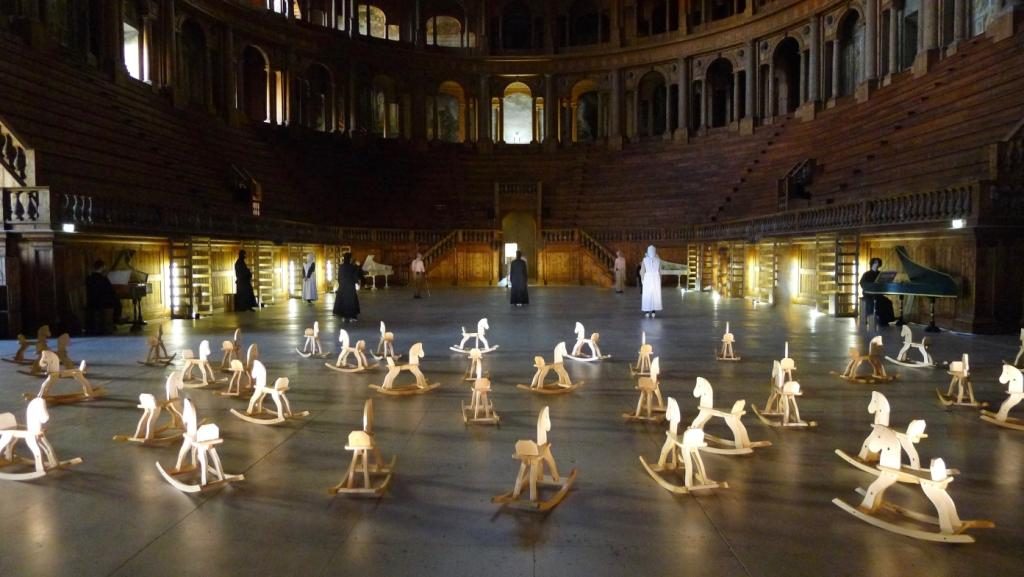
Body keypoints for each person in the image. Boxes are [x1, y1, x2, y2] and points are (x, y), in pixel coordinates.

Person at [85, 260, 121, 333]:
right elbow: (110, 291)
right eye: (104, 267)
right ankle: (115, 321)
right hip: (102, 302)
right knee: (118, 303)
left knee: (114, 301)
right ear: (103, 267)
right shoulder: (103, 279)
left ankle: (112, 322)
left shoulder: (89, 278)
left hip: (92, 302)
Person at [860, 257, 895, 326]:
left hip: (878, 294)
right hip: (869, 295)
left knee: (888, 302)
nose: (877, 264)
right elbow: (862, 283)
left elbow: (883, 284)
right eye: (875, 262)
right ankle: (872, 320)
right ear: (872, 264)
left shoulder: (880, 274)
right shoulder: (866, 274)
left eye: (878, 262)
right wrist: (871, 286)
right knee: (875, 302)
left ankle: (886, 320)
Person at [333, 252, 363, 321]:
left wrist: (341, 284)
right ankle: (352, 316)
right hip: (350, 287)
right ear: (349, 259)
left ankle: (344, 316)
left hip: (343, 286)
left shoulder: (341, 267)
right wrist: (358, 266)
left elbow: (339, 277)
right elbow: (355, 276)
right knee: (351, 301)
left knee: (343, 301)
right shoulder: (352, 267)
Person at [639, 245, 662, 318]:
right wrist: (660, 280)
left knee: (648, 294)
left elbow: (642, 271)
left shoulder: (644, 260)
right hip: (655, 279)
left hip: (648, 279)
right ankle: (653, 311)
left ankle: (647, 311)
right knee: (654, 295)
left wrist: (642, 279)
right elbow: (660, 271)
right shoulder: (658, 260)